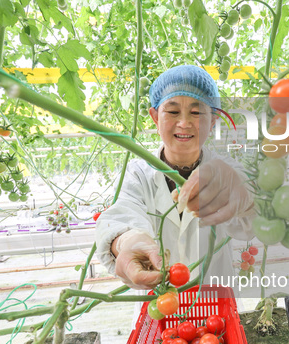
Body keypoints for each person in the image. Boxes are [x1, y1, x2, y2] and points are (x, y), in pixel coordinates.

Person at [95, 65, 255, 290]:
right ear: (154, 116)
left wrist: (243, 196)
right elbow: (123, 214)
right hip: (160, 312)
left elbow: (259, 207)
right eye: (172, 112)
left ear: (213, 121)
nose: (184, 123)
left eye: (197, 112)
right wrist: (128, 242)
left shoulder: (228, 171)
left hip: (216, 309)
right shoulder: (139, 174)